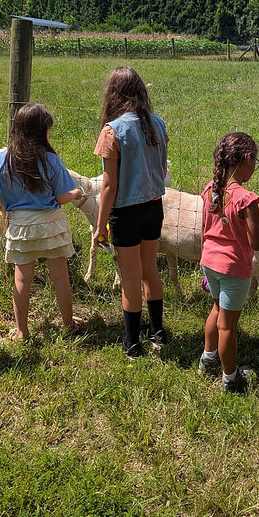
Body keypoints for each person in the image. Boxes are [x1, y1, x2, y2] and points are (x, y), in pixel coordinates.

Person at [0, 103, 84, 341]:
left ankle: (22, 331)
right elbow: (63, 197)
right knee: (60, 276)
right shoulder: (50, 159)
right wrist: (76, 193)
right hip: (50, 223)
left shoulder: (3, 160)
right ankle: (68, 325)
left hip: (20, 227)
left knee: (22, 279)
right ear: (42, 131)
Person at [92, 66, 168, 359]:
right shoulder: (158, 124)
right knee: (150, 269)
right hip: (154, 206)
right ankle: (157, 331)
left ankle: (132, 343)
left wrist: (100, 226)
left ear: (113, 93)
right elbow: (161, 167)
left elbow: (109, 186)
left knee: (130, 276)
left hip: (125, 212)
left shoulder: (112, 130)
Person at [198, 132, 259, 393]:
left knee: (216, 309)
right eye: (255, 162)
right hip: (234, 270)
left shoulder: (210, 190)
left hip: (210, 262)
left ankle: (208, 358)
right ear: (247, 158)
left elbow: (206, 228)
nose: (254, 168)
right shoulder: (247, 200)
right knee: (227, 325)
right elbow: (255, 243)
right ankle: (231, 379)